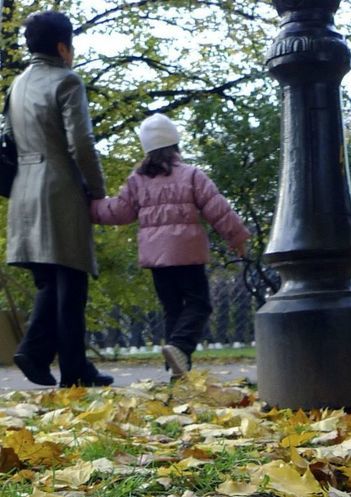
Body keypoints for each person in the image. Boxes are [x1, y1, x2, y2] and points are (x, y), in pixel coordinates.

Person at [90, 113, 250, 380]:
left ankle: (178, 368)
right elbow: (217, 209)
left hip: (157, 259)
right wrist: (237, 238)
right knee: (199, 305)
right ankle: (179, 349)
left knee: (173, 309)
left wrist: (89, 207)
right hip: (187, 254)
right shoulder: (191, 175)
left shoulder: (137, 181)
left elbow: (118, 211)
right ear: (175, 145)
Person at [3, 11, 112, 388]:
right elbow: (80, 144)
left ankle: (49, 356)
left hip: (24, 191)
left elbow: (10, 138)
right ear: (63, 47)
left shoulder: (16, 85)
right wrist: (98, 190)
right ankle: (68, 367)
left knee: (51, 283)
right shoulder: (67, 81)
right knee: (71, 283)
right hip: (59, 189)